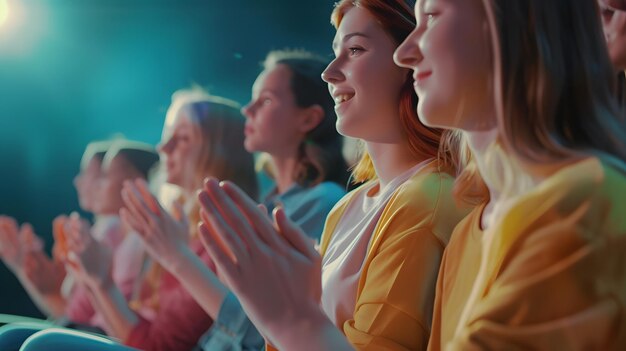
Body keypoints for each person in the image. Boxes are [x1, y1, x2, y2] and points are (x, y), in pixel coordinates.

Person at [195, 1, 471, 350]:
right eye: (335, 52)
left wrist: (285, 314)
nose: (330, 72)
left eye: (355, 49)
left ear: (412, 61)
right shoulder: (349, 205)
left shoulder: (426, 199)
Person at [393, 0, 626, 349]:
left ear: (516, 25)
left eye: (432, 16)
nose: (404, 53)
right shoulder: (464, 236)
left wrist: (298, 322)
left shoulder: (587, 201)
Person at [244, 49, 349, 240]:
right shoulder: (267, 203)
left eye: (266, 100)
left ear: (308, 119)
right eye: (253, 99)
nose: (247, 110)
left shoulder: (323, 201)